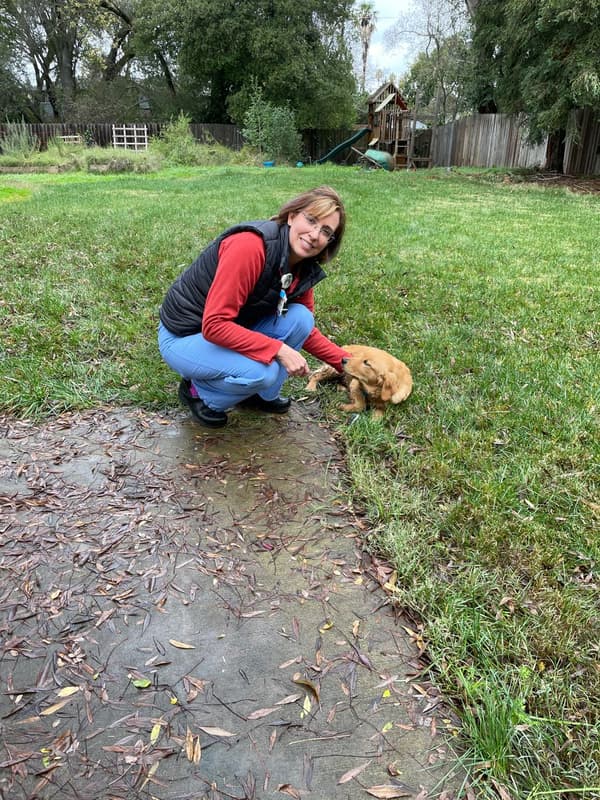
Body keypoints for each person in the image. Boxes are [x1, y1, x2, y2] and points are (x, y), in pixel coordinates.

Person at [158, 185, 350, 427]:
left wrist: (348, 365)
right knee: (262, 373)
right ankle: (197, 391)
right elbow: (214, 325)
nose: (314, 234)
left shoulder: (302, 265)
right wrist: (278, 349)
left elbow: (305, 331)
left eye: (325, 231)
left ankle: (259, 396)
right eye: (311, 220)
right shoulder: (250, 246)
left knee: (301, 318)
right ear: (291, 216)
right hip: (184, 335)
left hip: (231, 328)